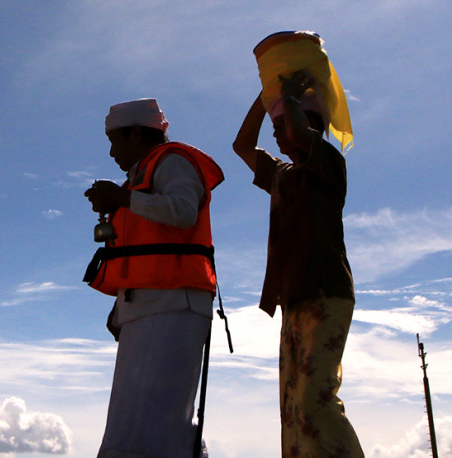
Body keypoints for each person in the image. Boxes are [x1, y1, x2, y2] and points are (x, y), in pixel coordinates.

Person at [82, 98, 223, 458]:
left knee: (154, 423)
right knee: (142, 421)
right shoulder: (140, 176)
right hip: (149, 305)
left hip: (174, 302)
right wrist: (121, 308)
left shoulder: (172, 161)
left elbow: (182, 211)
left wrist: (122, 199)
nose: (112, 151)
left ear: (135, 133)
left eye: (115, 140)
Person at [233, 70, 364, 456]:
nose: (276, 133)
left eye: (282, 125)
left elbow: (304, 137)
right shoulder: (281, 174)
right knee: (292, 409)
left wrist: (288, 98)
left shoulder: (327, 161)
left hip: (326, 292)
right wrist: (264, 101)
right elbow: (242, 145)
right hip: (294, 296)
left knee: (314, 400)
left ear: (308, 124)